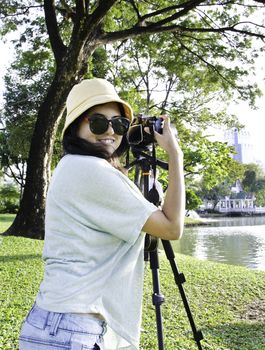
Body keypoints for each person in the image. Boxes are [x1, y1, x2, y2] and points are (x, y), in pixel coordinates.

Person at [19, 78, 185, 350]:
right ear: (77, 126)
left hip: (51, 323)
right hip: (75, 331)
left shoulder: (70, 167)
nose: (110, 132)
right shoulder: (94, 172)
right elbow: (171, 227)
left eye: (119, 124)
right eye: (98, 122)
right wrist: (175, 155)